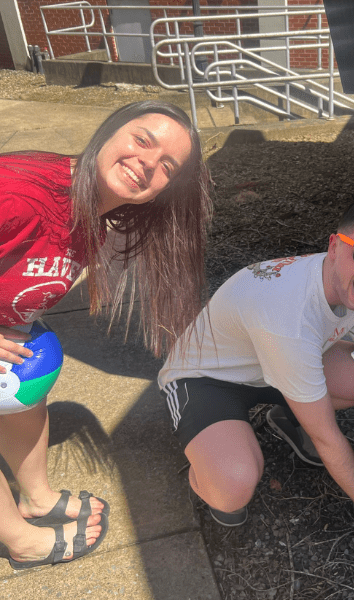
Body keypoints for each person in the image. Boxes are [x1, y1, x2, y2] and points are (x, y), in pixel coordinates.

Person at [0, 100, 212, 568]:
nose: (146, 164)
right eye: (142, 140)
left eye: (167, 167)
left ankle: (36, 498)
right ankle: (19, 539)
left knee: (27, 397)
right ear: (109, 130)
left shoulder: (96, 210)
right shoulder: (16, 194)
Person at [159, 199, 354, 546]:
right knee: (234, 485)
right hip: (208, 378)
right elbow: (328, 437)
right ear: (334, 246)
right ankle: (207, 469)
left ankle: (288, 416)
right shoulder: (289, 315)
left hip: (275, 366)